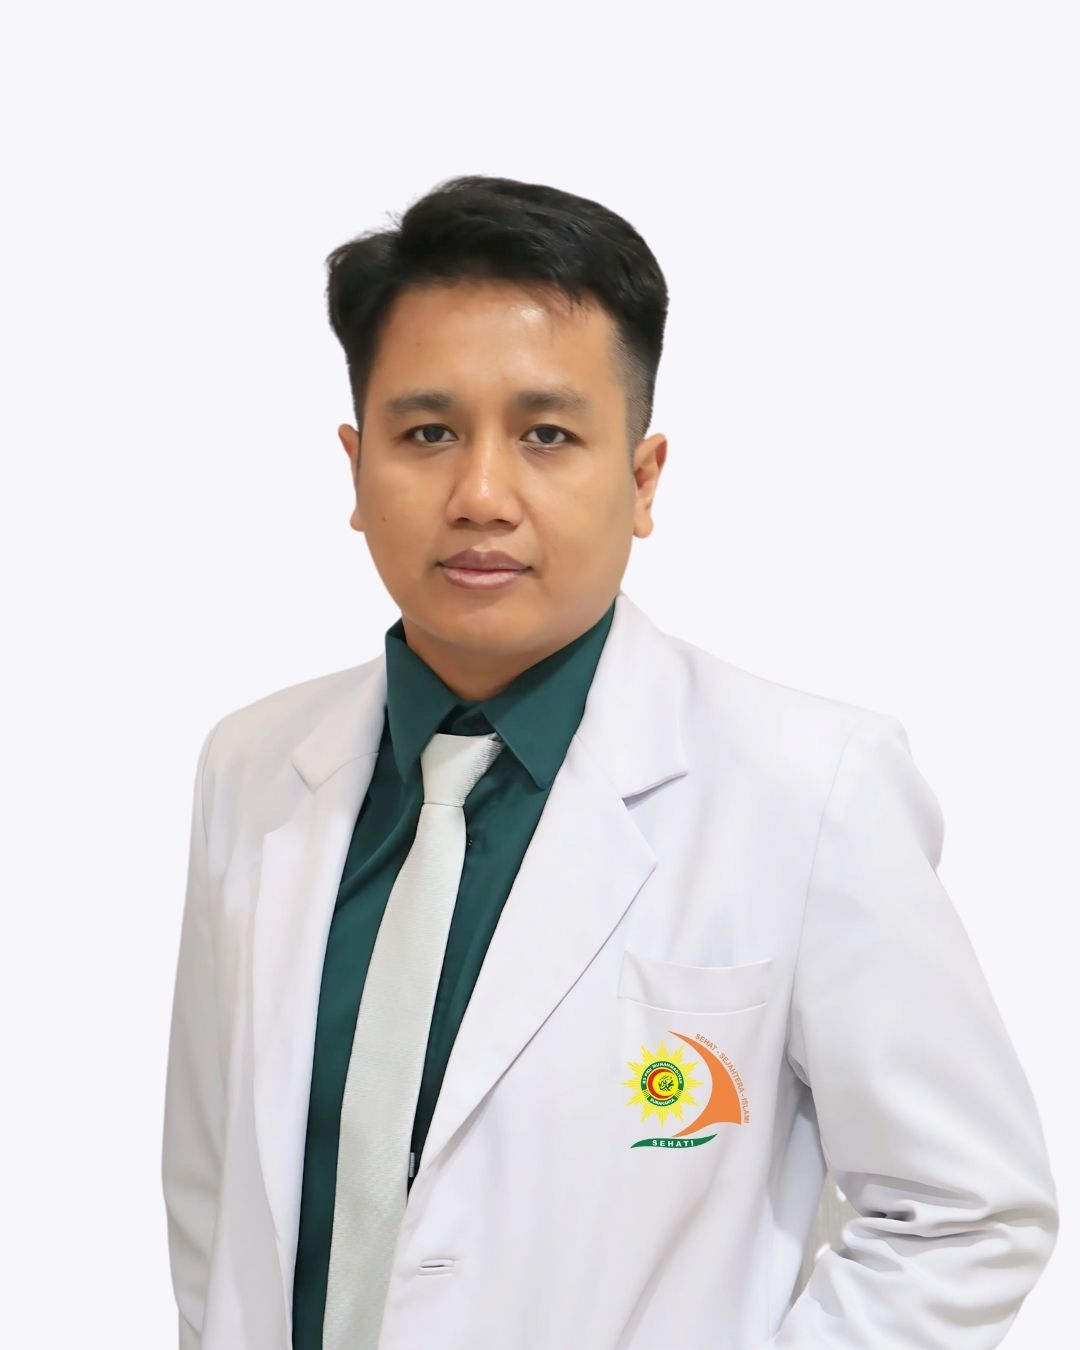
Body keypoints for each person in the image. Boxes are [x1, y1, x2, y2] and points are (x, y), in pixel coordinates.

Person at [161, 174, 1058, 1350]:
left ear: (641, 480)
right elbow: (214, 1196)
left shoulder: (810, 787)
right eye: (427, 433)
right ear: (355, 467)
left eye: (546, 435)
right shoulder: (252, 767)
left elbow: (965, 1213)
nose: (482, 495)